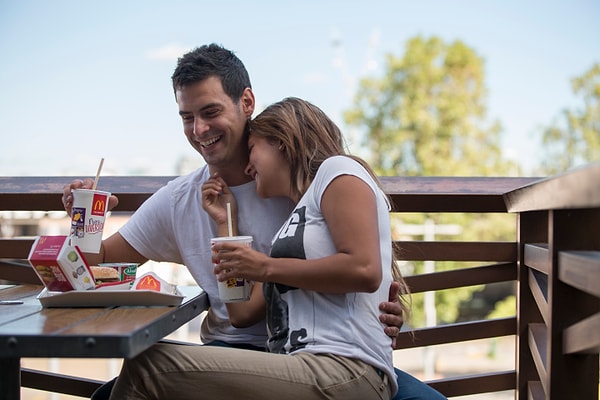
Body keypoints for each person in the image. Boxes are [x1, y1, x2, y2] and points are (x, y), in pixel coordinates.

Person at [61, 44, 437, 399]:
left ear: (247, 103)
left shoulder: (308, 191)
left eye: (210, 112)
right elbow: (97, 264)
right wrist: (85, 220)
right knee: (113, 390)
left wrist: (382, 311)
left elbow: (366, 267)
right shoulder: (181, 199)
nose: (199, 130)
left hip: (326, 357)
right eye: (187, 117)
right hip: (245, 352)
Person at [107, 96, 406, 399]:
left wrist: (265, 267)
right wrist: (227, 224)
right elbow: (240, 311)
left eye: (252, 150)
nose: (248, 167)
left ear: (281, 142)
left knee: (149, 366)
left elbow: (365, 270)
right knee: (140, 370)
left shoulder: (338, 170)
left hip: (343, 368)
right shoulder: (291, 229)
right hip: (301, 365)